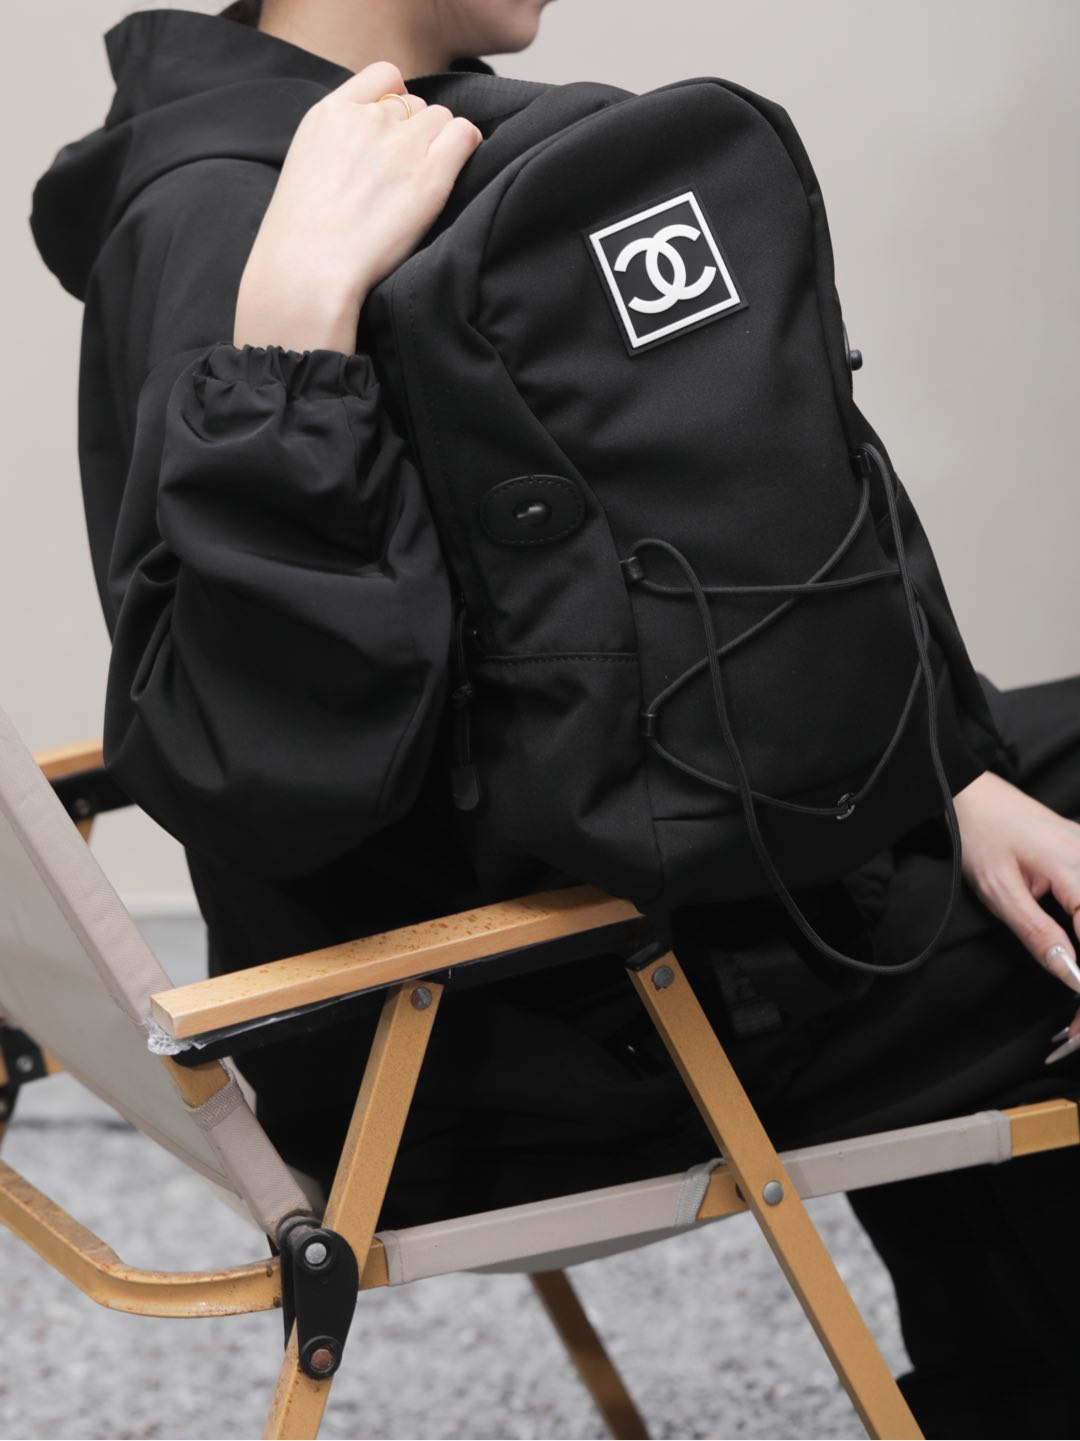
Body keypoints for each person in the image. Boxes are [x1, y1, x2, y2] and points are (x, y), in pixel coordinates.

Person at [28, 3, 1080, 1435]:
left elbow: (635, 584)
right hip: (498, 1028)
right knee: (1040, 928)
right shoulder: (246, 221)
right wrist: (290, 352)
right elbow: (266, 763)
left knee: (1031, 788)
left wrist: (949, 770)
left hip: (542, 917)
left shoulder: (371, 144)